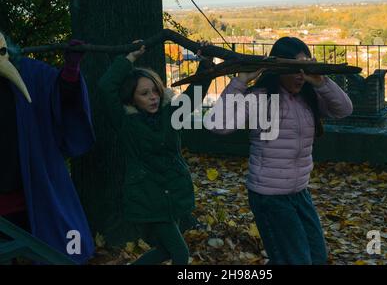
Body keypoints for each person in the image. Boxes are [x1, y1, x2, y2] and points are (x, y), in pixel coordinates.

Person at [205, 37, 353, 265]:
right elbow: (217, 125)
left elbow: (344, 109)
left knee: (316, 257)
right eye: (293, 68)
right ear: (278, 69)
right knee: (295, 260)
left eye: (304, 68)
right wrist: (240, 82)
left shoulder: (308, 98)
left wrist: (320, 81)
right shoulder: (262, 97)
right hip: (270, 196)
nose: (299, 75)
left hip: (299, 192)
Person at [98, 41, 212, 265]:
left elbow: (195, 94)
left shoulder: (171, 114)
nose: (153, 97)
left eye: (155, 91)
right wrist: (129, 58)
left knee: (165, 250)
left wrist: (205, 63)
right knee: (181, 254)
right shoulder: (125, 122)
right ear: (132, 98)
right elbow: (105, 87)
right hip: (148, 199)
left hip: (175, 196)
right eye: (144, 93)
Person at [0, 32, 96, 264]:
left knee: (51, 250)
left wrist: (71, 70)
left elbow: (60, 96)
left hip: (28, 190)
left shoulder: (30, 74)